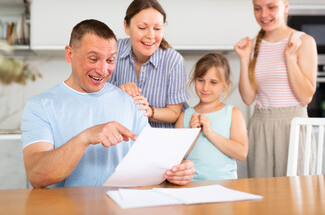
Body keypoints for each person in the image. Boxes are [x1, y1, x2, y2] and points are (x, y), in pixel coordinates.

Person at [21, 19, 195, 188]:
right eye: (93, 59)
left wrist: (175, 171)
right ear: (69, 54)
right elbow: (37, 175)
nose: (103, 70)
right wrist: (85, 138)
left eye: (110, 60)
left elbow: (151, 163)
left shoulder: (130, 101)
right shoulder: (40, 106)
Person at [234, 0, 318, 178]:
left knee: (298, 196)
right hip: (260, 124)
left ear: (285, 7)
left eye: (271, 7)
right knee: (263, 196)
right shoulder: (253, 45)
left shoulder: (303, 42)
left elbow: (306, 97)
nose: (264, 15)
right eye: (257, 8)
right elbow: (248, 98)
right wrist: (244, 60)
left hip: (293, 125)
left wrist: (289, 58)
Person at [108, 0, 189, 128]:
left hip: (160, 139)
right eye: (142, 27)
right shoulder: (112, 50)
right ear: (126, 26)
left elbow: (174, 113)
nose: (150, 35)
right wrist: (118, 93)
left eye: (157, 29)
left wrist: (148, 110)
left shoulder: (174, 61)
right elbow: (97, 96)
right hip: (121, 136)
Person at [175, 53, 248, 181]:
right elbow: (175, 156)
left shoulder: (233, 113)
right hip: (191, 186)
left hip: (226, 185)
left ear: (225, 85)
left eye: (213, 82)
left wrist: (210, 133)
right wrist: (193, 134)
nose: (205, 87)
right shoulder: (184, 115)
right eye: (200, 80)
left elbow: (241, 153)